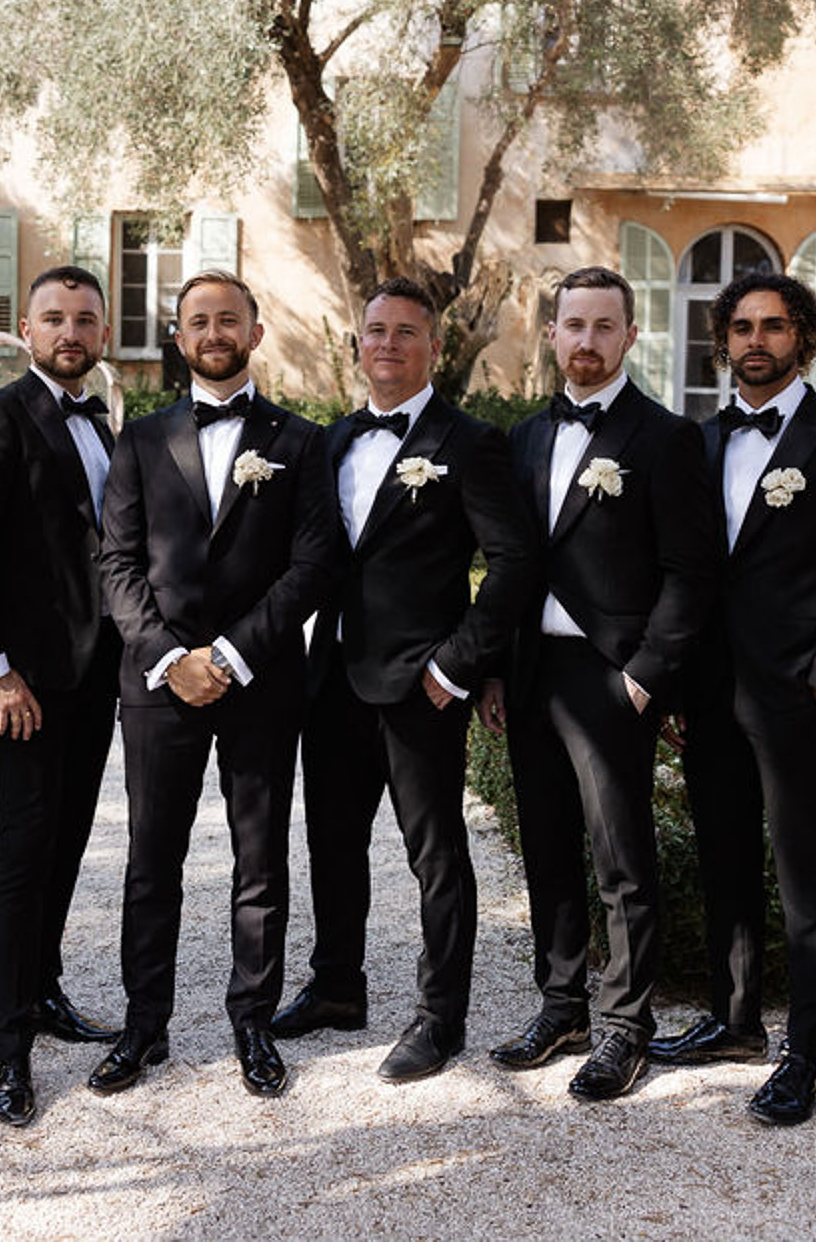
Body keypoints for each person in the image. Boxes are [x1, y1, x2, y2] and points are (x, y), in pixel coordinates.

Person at [271, 277, 538, 1083]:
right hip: (333, 679)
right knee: (332, 844)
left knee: (436, 856)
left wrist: (458, 664)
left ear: (433, 348)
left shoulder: (471, 442)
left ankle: (439, 1017)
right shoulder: (334, 438)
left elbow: (515, 563)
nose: (387, 344)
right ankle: (336, 987)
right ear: (359, 345)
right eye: (375, 331)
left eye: (405, 333)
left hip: (421, 686)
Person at [650, 272, 816, 1126]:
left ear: (805, 338)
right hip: (713, 695)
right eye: (743, 328)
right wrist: (679, 684)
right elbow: (688, 577)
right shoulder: (699, 441)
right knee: (724, 858)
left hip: (803, 698)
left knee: (806, 877)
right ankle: (731, 1019)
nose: (757, 341)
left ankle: (810, 1049)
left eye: (776, 327)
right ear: (723, 341)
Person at [92, 269, 344, 1099]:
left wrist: (232, 656)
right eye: (197, 320)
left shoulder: (300, 441)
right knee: (150, 858)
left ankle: (252, 1021)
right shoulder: (140, 438)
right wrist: (173, 659)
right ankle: (144, 1025)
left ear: (254, 332)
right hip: (158, 683)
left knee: (259, 859)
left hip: (260, 678)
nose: (213, 332)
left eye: (227, 319)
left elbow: (313, 564)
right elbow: (117, 563)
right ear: (178, 336)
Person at [478, 265, 716, 1102]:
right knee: (545, 846)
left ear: (629, 337)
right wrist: (499, 672)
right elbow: (512, 567)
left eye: (603, 326)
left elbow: (692, 574)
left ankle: (625, 1025)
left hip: (612, 678)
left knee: (620, 858)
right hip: (533, 670)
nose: (586, 341)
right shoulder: (524, 438)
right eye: (572, 325)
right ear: (552, 335)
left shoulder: (665, 437)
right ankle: (562, 1003)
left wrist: (648, 677)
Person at [0, 265, 124, 1128]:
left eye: (85, 318)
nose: (71, 331)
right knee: (20, 853)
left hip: (93, 678)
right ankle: (6, 1048)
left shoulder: (105, 422)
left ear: (103, 328)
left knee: (65, 843)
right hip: (27, 683)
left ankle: (43, 991)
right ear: (28, 329)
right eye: (55, 318)